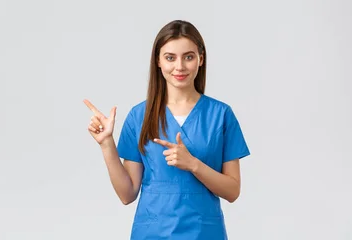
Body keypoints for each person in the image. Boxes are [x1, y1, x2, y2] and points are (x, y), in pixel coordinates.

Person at [83, 20, 250, 240]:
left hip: (204, 233)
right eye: (170, 57)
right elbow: (127, 194)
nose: (179, 67)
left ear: (201, 59)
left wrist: (193, 165)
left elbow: (232, 191)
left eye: (188, 57)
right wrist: (106, 144)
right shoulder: (139, 116)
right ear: (158, 62)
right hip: (152, 233)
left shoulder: (221, 115)